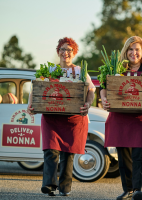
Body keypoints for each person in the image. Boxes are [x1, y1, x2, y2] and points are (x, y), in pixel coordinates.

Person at [100, 36, 142, 200]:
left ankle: (137, 190)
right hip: (121, 119)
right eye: (130, 49)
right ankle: (128, 190)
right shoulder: (117, 69)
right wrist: (104, 99)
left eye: (137, 49)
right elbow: (104, 86)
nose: (133, 52)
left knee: (140, 156)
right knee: (124, 157)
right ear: (126, 51)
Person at [27, 37, 95, 196]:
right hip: (52, 117)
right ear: (58, 52)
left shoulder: (80, 71)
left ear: (74, 53)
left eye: (69, 50)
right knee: (51, 150)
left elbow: (91, 90)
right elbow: (36, 87)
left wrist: (88, 104)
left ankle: (65, 188)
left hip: (73, 119)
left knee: (68, 153)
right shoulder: (49, 71)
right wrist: (31, 104)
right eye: (63, 49)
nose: (66, 53)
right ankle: (49, 184)